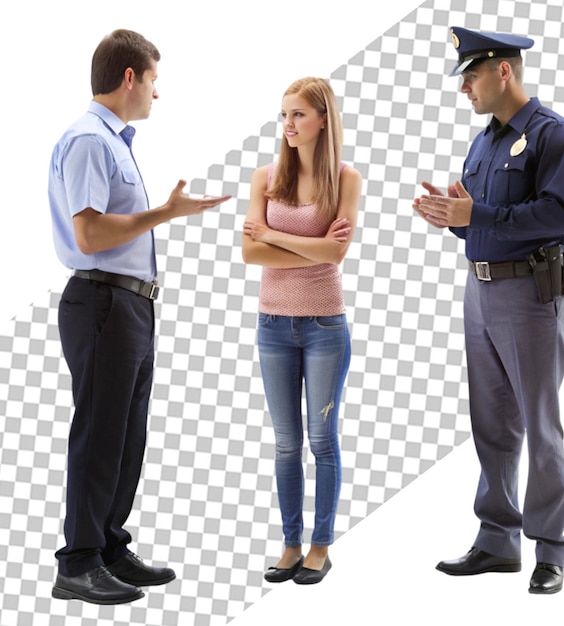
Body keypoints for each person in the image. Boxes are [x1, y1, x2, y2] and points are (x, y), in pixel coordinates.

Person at [48, 29, 230, 605]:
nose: (157, 92)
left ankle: (106, 547)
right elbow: (90, 231)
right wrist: (165, 213)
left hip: (129, 304)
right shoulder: (88, 141)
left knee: (127, 434)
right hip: (101, 301)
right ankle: (77, 562)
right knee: (100, 432)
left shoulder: (116, 142)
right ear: (131, 77)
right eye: (154, 80)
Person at [413, 26, 564, 594]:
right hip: (480, 290)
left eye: (471, 75)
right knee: (491, 422)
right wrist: (452, 216)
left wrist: (476, 218)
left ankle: (551, 550)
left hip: (529, 297)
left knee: (539, 424)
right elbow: (478, 221)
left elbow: (555, 217)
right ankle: (496, 540)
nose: (465, 87)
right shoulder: (484, 141)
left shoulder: (552, 135)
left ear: (502, 71)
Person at [242, 77, 361, 585]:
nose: (288, 125)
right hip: (273, 324)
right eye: (284, 115)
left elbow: (336, 254)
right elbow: (251, 254)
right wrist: (298, 245)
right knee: (286, 443)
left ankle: (320, 545)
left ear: (322, 120)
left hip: (323, 326)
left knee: (322, 440)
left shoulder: (346, 178)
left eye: (298, 115)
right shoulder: (265, 177)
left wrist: (272, 234)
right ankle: (290, 543)